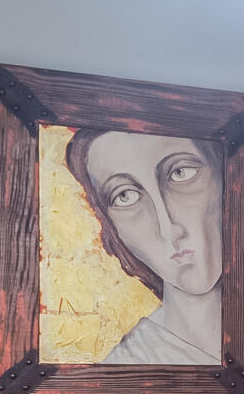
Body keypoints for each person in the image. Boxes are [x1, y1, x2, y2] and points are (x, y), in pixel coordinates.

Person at [64, 129, 226, 365]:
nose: (168, 228)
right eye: (125, 196)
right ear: (112, 228)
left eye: (180, 173)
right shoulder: (124, 370)